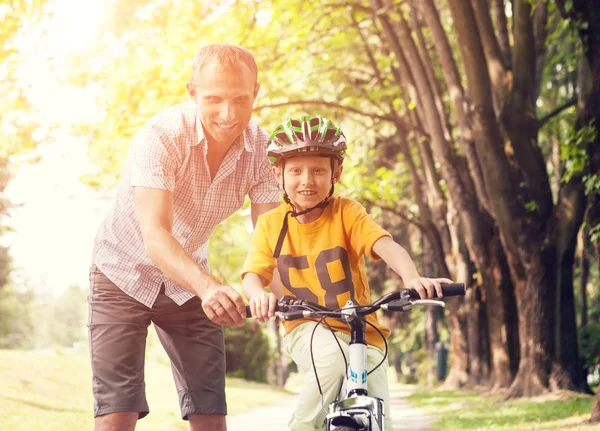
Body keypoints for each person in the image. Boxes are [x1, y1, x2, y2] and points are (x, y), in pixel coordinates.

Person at [87, 43, 281, 431]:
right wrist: (209, 288)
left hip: (187, 283)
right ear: (192, 92)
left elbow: (270, 241)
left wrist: (290, 299)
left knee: (209, 410)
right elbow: (155, 235)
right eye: (214, 99)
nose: (228, 114)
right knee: (117, 411)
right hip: (120, 274)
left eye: (240, 99)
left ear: (256, 93)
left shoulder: (262, 151)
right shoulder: (161, 136)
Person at [241, 115, 453, 431]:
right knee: (331, 361)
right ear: (278, 174)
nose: (307, 180)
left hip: (364, 332)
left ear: (335, 173)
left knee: (378, 417)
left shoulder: (347, 212)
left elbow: (385, 245)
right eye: (296, 171)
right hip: (307, 326)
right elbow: (252, 274)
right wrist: (258, 296)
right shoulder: (271, 224)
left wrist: (412, 278)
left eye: (318, 170)